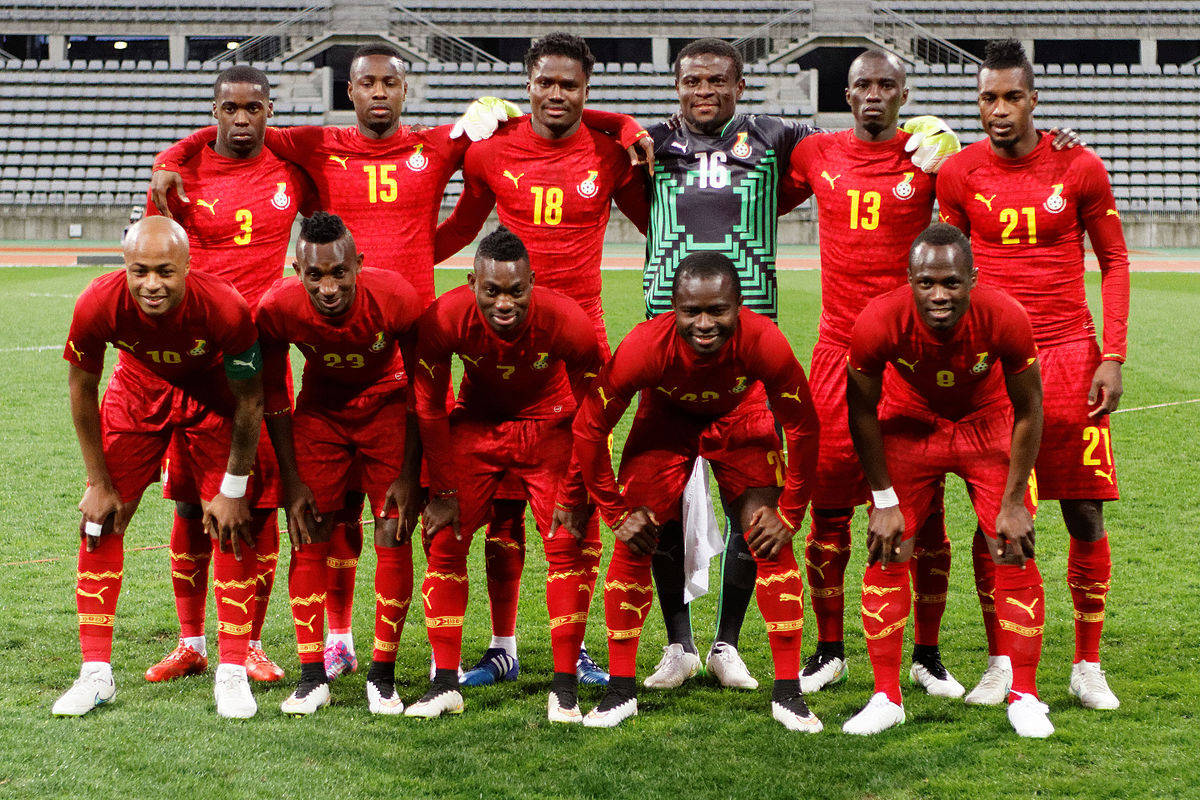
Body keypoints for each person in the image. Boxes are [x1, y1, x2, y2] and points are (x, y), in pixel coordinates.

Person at [150, 45, 644, 680]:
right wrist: (170, 157)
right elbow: (235, 127)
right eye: (367, 83)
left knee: (521, 500)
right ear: (349, 92)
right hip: (336, 352)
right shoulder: (316, 142)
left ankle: (555, 647)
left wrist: (626, 125)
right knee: (339, 510)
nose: (379, 93)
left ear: (407, 90)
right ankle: (337, 639)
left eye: (390, 82)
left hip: (425, 347)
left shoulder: (441, 144)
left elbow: (548, 116)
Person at [432, 32, 648, 688]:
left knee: (572, 514)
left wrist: (628, 123)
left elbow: (653, 220)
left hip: (578, 363)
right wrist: (393, 262)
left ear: (587, 91)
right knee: (500, 512)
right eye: (545, 83)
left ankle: (572, 649)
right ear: (527, 84)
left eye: (570, 85)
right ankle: (502, 647)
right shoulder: (492, 153)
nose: (557, 95)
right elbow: (460, 231)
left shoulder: (611, 155)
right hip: (498, 363)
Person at [936, 39, 1129, 710]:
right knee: (998, 519)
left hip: (1072, 358)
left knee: (1083, 511)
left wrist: (1114, 355)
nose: (999, 108)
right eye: (987, 96)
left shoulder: (1078, 166)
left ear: (1034, 99)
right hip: (993, 369)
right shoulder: (958, 175)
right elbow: (947, 277)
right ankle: (998, 660)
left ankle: (1086, 663)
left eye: (1011, 96)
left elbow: (1115, 262)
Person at [566, 251, 820, 731]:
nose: (704, 323)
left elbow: (805, 427)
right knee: (635, 534)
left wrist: (790, 511)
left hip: (741, 417)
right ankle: (621, 691)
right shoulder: (645, 346)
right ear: (673, 308)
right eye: (691, 312)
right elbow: (589, 426)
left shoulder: (765, 342)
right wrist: (614, 510)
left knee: (768, 533)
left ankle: (787, 694)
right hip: (666, 420)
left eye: (717, 311)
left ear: (739, 306)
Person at [143, 64, 317, 686]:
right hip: (193, 367)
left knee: (259, 503)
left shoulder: (293, 171)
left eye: (254, 108)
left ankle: (247, 646)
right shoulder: (179, 177)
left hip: (263, 359)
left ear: (270, 110)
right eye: (230, 109)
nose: (242, 120)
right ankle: (191, 641)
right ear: (213, 112)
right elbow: (154, 263)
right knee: (190, 502)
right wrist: (175, 151)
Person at [53, 217, 266, 718]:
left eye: (165, 271)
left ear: (189, 267)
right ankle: (95, 674)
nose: (152, 284)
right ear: (124, 268)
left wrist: (233, 487)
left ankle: (232, 672)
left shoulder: (225, 307)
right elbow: (81, 389)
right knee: (98, 522)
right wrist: (100, 483)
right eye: (140, 271)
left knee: (231, 525)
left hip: (212, 397)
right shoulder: (98, 302)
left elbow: (251, 402)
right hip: (137, 390)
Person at [844, 222, 1051, 738]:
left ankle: (1025, 694)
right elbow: (862, 411)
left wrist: (1014, 500)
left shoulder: (1005, 315)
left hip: (988, 424)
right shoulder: (879, 320)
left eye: (952, 283)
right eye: (927, 282)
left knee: (1012, 544)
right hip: (912, 424)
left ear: (972, 279)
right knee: (889, 546)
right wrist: (884, 499)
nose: (939, 295)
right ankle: (886, 696)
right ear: (909, 278)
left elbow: (1030, 410)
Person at [409, 227, 604, 722]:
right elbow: (429, 409)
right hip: (476, 421)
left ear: (532, 282)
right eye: (491, 290)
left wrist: (577, 488)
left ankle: (564, 689)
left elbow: (595, 415)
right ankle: (444, 683)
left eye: (516, 290)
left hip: (550, 421)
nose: (503, 302)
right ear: (471, 280)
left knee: (568, 540)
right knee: (445, 537)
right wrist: (444, 490)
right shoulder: (445, 317)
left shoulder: (568, 323)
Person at [256, 212, 423, 715]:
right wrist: (291, 480)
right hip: (321, 414)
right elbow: (274, 397)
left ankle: (383, 675)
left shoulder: (396, 297)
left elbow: (424, 391)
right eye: (315, 276)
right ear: (297, 271)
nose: (328, 288)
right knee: (309, 531)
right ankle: (312, 677)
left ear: (359, 266)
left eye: (339, 273)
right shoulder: (276, 308)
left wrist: (410, 474)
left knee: (393, 532)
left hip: (388, 406)